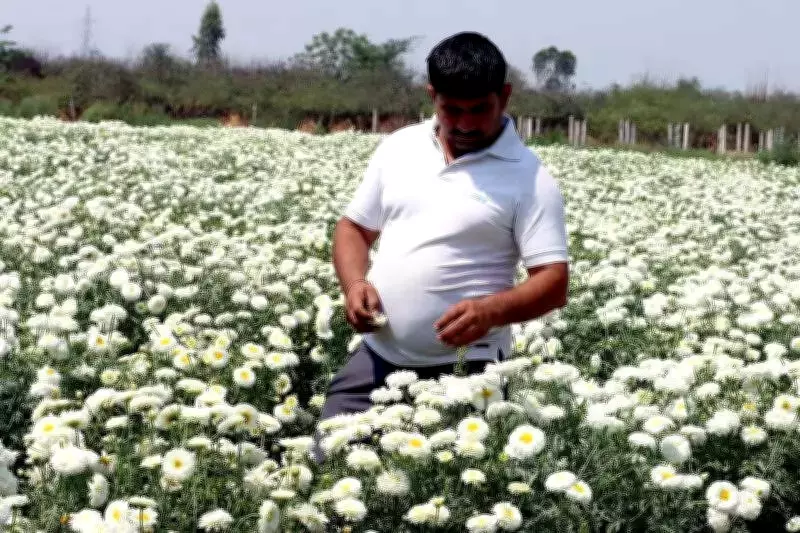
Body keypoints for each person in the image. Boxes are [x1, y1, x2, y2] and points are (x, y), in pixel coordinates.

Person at [312, 31, 569, 461]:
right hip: (378, 355)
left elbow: (554, 283)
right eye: (452, 109)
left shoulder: (530, 179)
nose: (466, 124)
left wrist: (493, 310)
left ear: (504, 97)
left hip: (466, 371)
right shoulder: (399, 148)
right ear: (432, 95)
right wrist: (354, 284)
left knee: (439, 495)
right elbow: (354, 228)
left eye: (479, 109)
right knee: (325, 471)